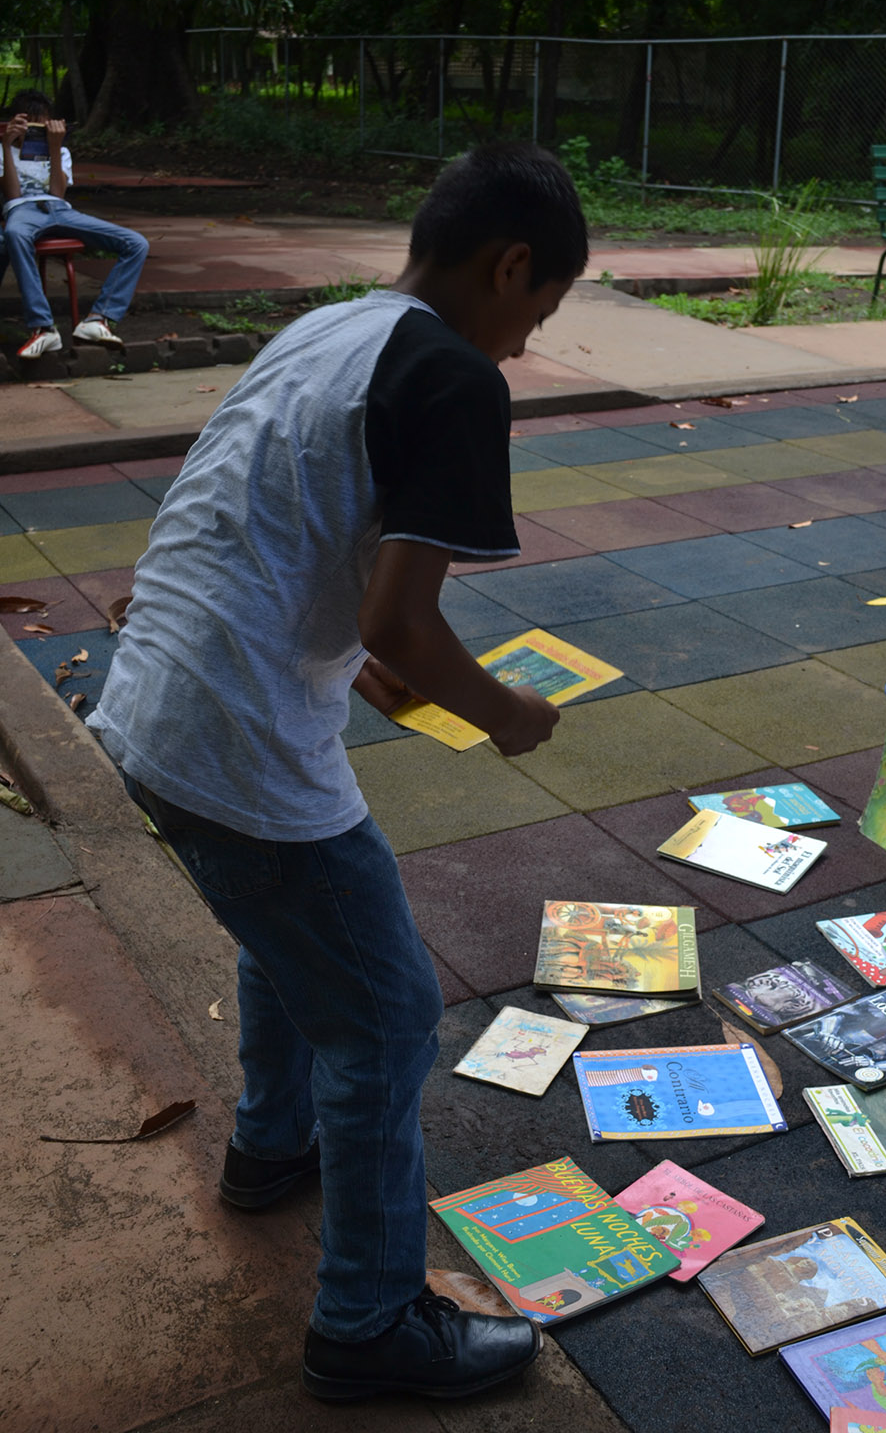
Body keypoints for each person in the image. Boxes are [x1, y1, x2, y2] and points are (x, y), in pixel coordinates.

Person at [87, 141, 588, 1403]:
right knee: (387, 1015)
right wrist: (502, 713)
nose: (526, 343)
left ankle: (270, 1146)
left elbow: (256, 506)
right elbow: (402, 625)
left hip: (155, 700)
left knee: (287, 936)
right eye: (537, 310)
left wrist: (360, 643)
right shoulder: (453, 376)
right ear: (509, 263)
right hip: (233, 733)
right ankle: (367, 1325)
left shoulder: (336, 327)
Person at [1, 90, 149, 358]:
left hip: (59, 209)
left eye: (41, 125)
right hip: (23, 210)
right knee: (13, 233)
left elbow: (57, 194)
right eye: (28, 125)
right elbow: (12, 198)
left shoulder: (62, 151)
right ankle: (43, 326)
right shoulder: (3, 149)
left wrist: (54, 147)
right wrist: (6, 144)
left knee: (136, 242)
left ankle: (98, 319)